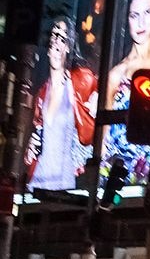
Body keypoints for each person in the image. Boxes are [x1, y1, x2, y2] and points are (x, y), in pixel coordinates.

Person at [102, 0, 150, 184]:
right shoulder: (116, 74)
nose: (141, 23)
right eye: (134, 15)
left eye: (147, 12)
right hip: (117, 173)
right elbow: (103, 137)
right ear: (126, 19)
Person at [25, 16, 97, 191]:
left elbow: (91, 132)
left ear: (69, 47)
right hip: (40, 181)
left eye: (63, 38)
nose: (57, 42)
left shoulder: (81, 81)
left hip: (66, 183)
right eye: (54, 36)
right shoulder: (42, 94)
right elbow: (38, 135)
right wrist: (31, 149)